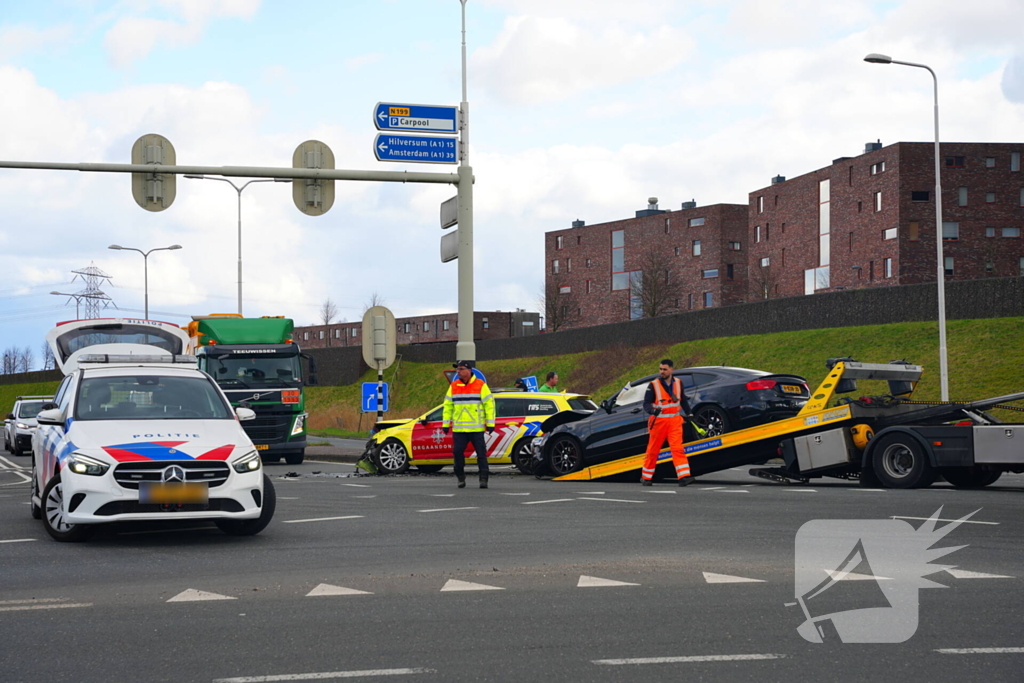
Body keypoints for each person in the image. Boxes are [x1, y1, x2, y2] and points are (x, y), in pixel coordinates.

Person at [442, 360, 496, 489]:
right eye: (457, 369)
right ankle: (460, 477)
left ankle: (483, 479)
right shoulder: (454, 386)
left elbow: (489, 405)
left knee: (481, 454)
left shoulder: (480, 385)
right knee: (457, 452)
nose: (458, 372)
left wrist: (491, 423)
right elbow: (447, 406)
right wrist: (445, 423)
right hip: (459, 429)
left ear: (469, 370)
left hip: (476, 428)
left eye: (461, 369)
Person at [641, 359, 694, 487]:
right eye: (660, 369)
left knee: (677, 449)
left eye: (664, 369)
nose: (662, 372)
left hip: (675, 422)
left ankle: (684, 477)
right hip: (659, 422)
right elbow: (646, 404)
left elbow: (683, 400)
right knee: (653, 450)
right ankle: (646, 477)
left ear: (671, 370)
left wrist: (689, 413)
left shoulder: (678, 383)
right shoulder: (653, 385)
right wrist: (653, 411)